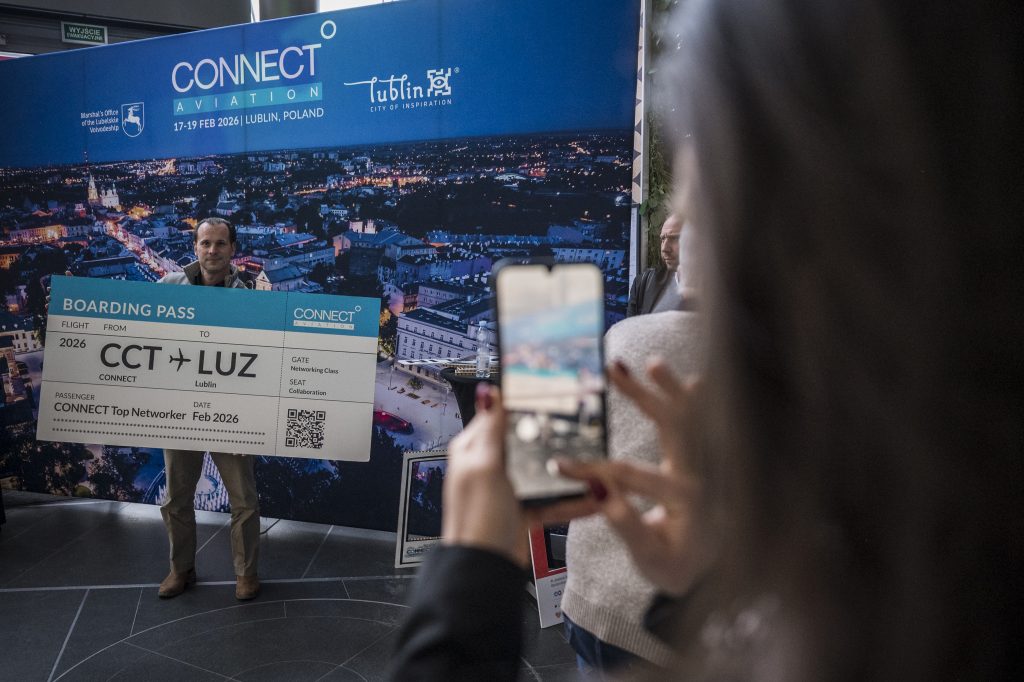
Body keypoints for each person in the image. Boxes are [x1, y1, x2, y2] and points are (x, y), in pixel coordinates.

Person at [391, 0, 1019, 680]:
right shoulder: (929, 578)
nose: (682, 215)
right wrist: (696, 592)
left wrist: (469, 579)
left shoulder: (635, 342)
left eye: (708, 190)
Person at [561, 244, 702, 677]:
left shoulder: (624, 336)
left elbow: (574, 453)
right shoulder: (773, 360)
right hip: (674, 622)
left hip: (588, 592)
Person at [156, 217, 262, 601]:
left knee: (244, 500)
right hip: (180, 408)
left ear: (233, 249)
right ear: (195, 247)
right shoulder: (168, 287)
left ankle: (246, 574)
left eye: (220, 243)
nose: (212, 250)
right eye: (205, 243)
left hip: (229, 411)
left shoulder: (251, 298)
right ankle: (180, 570)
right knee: (176, 498)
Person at [625, 214, 682, 316]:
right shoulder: (643, 283)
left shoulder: (712, 289)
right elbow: (630, 325)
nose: (664, 248)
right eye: (663, 239)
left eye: (674, 238)